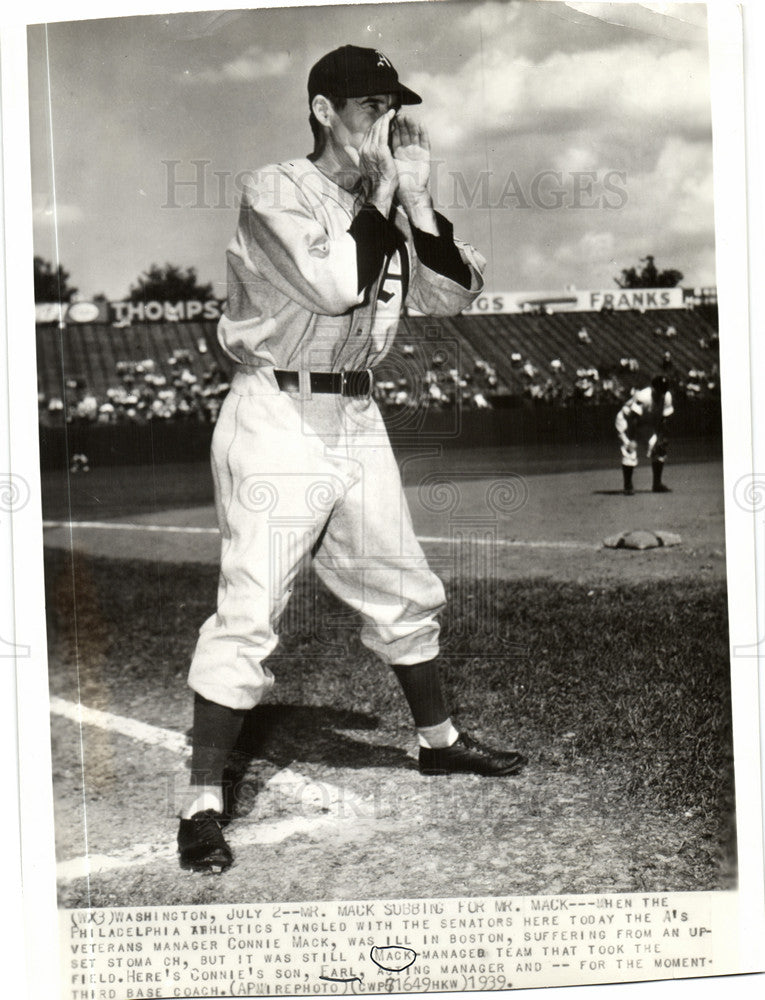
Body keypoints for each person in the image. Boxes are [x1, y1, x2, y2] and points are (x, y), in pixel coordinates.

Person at [178, 45, 528, 874]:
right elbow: (337, 283)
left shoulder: (387, 201)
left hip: (355, 412)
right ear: (324, 111)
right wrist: (380, 195)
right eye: (368, 106)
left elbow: (453, 294)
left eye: (390, 106)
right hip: (276, 413)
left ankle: (437, 739)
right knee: (251, 610)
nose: (384, 121)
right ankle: (199, 800)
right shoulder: (272, 189)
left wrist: (419, 201)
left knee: (401, 583)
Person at [615, 374, 674, 496]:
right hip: (627, 421)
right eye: (658, 390)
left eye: (663, 391)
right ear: (653, 388)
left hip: (645, 423)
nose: (661, 394)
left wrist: (661, 437)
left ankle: (657, 484)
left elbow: (665, 419)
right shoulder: (643, 396)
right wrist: (631, 440)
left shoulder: (666, 396)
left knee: (660, 448)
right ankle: (628, 486)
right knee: (630, 450)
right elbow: (633, 419)